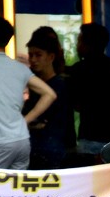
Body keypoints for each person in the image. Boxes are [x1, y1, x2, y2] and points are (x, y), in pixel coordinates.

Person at [0, 17, 56, 170]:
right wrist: (25, 120)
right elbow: (49, 94)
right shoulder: (20, 68)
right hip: (22, 141)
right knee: (16, 191)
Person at [67, 24, 110, 156]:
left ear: (87, 44)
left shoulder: (78, 70)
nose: (78, 45)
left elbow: (76, 105)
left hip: (89, 135)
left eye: (79, 41)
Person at [23, 27, 75, 170]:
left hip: (53, 152)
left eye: (38, 55)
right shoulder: (34, 85)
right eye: (30, 55)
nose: (33, 60)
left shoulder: (60, 85)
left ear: (51, 57)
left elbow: (43, 118)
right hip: (36, 151)